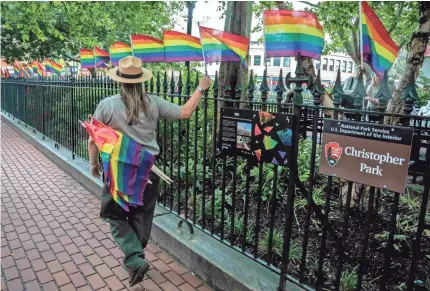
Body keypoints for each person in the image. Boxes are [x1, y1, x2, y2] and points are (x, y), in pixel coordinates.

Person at [87, 56, 211, 286]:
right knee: (141, 216)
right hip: (149, 171)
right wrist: (201, 88)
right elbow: (185, 112)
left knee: (113, 215)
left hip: (118, 172)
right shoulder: (153, 102)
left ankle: (134, 258)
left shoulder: (107, 105)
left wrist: (93, 164)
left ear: (120, 81)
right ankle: (136, 254)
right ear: (141, 80)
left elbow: (94, 140)